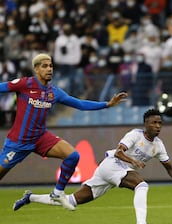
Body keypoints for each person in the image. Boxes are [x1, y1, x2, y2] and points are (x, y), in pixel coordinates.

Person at [13, 109, 172, 224]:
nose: (158, 126)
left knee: (72, 200)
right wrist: (133, 162)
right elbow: (119, 153)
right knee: (142, 185)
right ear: (146, 124)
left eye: (160, 123)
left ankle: (30, 197)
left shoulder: (158, 146)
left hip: (113, 171)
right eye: (154, 123)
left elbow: (169, 168)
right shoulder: (135, 135)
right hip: (113, 164)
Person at [0, 53, 127, 210]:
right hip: (18, 142)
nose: (49, 69)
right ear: (36, 69)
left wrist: (107, 104)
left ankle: (58, 193)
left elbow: (80, 104)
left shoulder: (54, 92)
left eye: (51, 66)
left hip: (40, 138)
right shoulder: (25, 84)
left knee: (73, 156)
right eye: (45, 66)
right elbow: (2, 87)